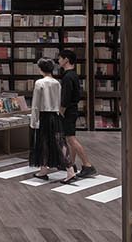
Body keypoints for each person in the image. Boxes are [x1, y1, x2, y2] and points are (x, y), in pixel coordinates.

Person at [29, 58, 69, 180]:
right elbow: (59, 101)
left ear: (41, 69)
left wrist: (33, 121)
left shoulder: (39, 83)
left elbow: (36, 104)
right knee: (58, 142)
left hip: (43, 116)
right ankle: (67, 166)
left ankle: (43, 170)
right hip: (55, 115)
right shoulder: (57, 83)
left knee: (43, 143)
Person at [58, 48, 95, 176]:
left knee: (71, 139)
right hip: (73, 109)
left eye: (60, 58)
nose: (58, 60)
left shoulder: (67, 77)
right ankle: (71, 163)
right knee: (70, 138)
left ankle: (87, 165)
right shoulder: (73, 75)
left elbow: (66, 97)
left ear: (66, 60)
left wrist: (61, 110)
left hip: (68, 111)